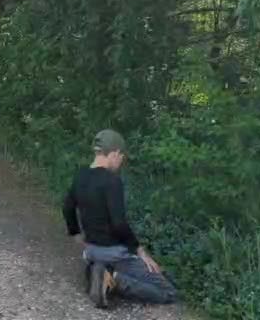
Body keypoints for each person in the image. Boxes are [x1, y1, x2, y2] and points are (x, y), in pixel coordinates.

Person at [63, 129, 178, 308]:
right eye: (121, 156)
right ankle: (114, 279)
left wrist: (77, 235)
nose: (121, 161)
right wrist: (140, 251)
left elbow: (67, 207)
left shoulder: (81, 176)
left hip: (91, 250)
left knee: (157, 274)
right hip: (115, 253)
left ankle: (96, 271)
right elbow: (119, 224)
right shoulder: (112, 181)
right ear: (115, 152)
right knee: (169, 291)